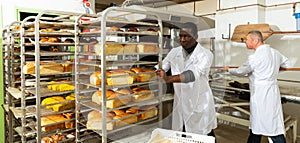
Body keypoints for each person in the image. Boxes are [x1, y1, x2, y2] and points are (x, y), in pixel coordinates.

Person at [225, 30, 290, 143]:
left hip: (261, 94)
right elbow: (286, 64)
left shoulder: (255, 57)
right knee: (266, 124)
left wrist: (228, 69)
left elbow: (241, 71)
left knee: (268, 128)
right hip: (272, 91)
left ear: (256, 40)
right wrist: (272, 73)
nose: (245, 42)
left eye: (247, 40)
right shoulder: (275, 52)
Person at [156, 22, 217, 138]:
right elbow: (162, 66)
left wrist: (168, 78)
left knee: (204, 135)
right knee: (183, 133)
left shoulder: (205, 54)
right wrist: (158, 71)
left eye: (187, 36)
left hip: (199, 102)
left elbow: (192, 74)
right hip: (181, 102)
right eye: (181, 36)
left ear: (196, 36)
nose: (182, 39)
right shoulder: (175, 52)